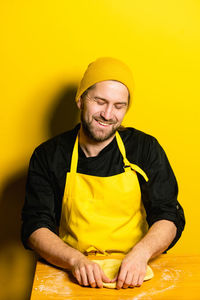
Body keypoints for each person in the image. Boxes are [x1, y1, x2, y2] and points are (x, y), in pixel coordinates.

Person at [21, 57, 185, 290]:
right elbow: (35, 225)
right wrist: (75, 261)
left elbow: (169, 215)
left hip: (135, 271)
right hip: (71, 271)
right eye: (100, 101)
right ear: (80, 99)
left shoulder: (144, 148)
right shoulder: (49, 155)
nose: (108, 114)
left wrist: (141, 254)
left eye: (119, 106)